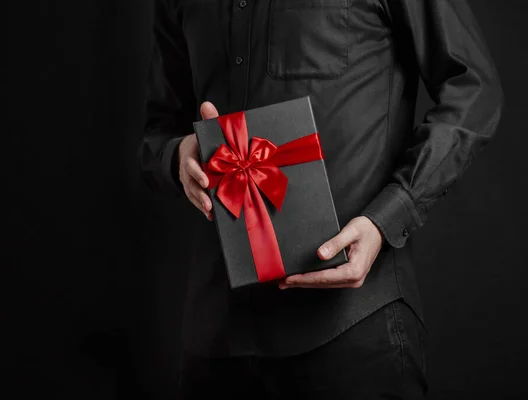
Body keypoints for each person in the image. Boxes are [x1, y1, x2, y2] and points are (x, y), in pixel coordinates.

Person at [137, 0, 503, 398]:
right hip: (216, 339)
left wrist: (390, 214)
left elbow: (474, 91)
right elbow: (158, 131)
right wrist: (176, 157)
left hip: (352, 329)